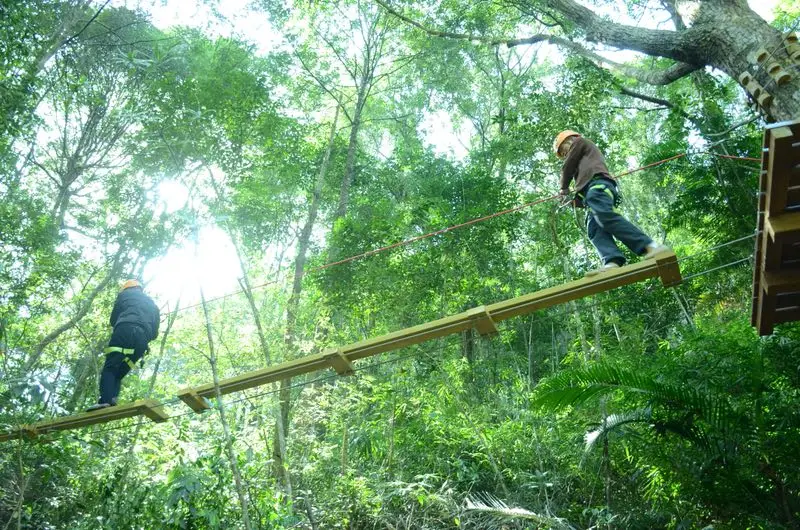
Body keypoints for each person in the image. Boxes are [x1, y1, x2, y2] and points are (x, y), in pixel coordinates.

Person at [554, 130, 668, 276]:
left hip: (599, 185)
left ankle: (650, 246)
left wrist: (563, 188)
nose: (565, 155)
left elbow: (567, 166)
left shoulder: (580, 142)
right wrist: (573, 201)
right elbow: (583, 193)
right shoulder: (583, 169)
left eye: (563, 151)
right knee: (594, 227)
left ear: (568, 141)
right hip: (592, 193)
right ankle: (612, 261)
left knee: (603, 214)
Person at [87, 279, 160, 412]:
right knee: (121, 370)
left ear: (126, 289)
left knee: (111, 367)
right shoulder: (153, 305)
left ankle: (106, 401)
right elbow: (155, 333)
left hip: (124, 331)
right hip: (141, 342)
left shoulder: (124, 296)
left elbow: (113, 320)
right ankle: (112, 398)